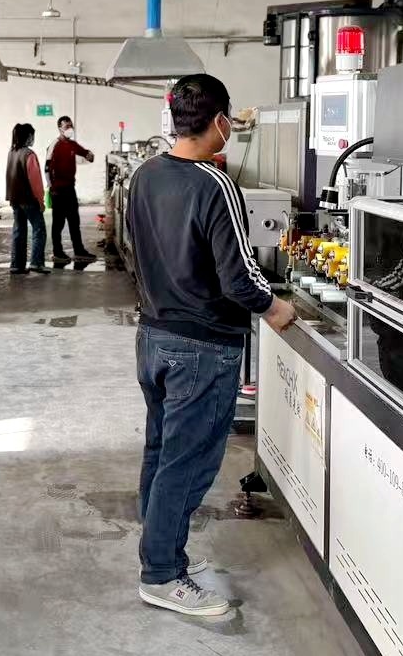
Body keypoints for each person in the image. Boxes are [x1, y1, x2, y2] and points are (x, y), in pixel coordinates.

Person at [125, 74, 297, 618]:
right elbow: (239, 277)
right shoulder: (214, 184)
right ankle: (161, 574)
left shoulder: (145, 175)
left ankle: (162, 551)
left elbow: (139, 250)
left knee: (162, 451)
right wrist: (275, 307)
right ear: (220, 121)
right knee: (189, 461)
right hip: (201, 345)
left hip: (153, 335)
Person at [46, 115, 97, 266]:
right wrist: (51, 187)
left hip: (70, 188)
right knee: (58, 223)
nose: (70, 129)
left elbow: (85, 153)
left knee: (74, 221)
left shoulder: (72, 145)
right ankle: (57, 251)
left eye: (71, 126)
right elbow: (47, 169)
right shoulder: (54, 145)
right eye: (67, 126)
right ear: (60, 128)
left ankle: (79, 250)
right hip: (58, 190)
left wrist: (89, 155)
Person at [5, 122, 49, 276]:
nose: (33, 139)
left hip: (15, 199)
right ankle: (36, 263)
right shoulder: (29, 154)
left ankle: (16, 265)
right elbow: (35, 181)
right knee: (39, 230)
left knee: (19, 230)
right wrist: (41, 201)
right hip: (29, 199)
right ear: (29, 136)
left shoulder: (12, 152)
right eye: (33, 136)